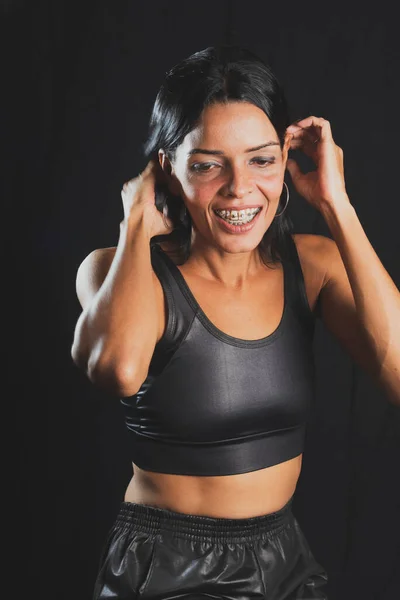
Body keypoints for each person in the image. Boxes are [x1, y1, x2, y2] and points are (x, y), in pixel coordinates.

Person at [72, 44, 336, 599]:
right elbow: (118, 370)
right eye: (207, 164)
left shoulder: (309, 265)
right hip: (170, 565)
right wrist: (135, 225)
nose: (239, 188)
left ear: (284, 160)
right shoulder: (117, 270)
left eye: (260, 159)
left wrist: (338, 205)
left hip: (284, 554)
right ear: (166, 167)